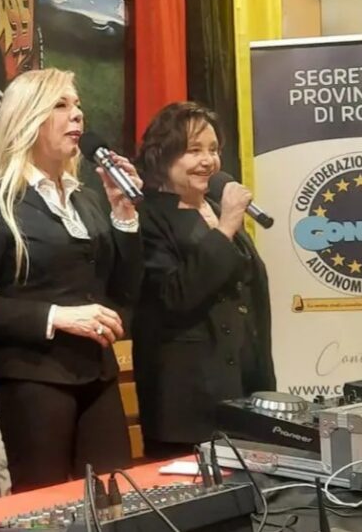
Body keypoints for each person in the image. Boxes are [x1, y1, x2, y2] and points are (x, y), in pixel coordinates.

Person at [0, 68, 143, 492]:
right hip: (33, 381)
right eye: (61, 105)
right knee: (45, 507)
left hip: (98, 374)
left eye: (78, 105)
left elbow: (125, 291)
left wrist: (124, 214)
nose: (77, 115)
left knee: (116, 499)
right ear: (28, 118)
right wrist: (57, 317)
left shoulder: (86, 198)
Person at [132, 101, 275, 458]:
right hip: (187, 403)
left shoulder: (216, 207)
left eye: (213, 150)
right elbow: (174, 296)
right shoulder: (147, 216)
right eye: (194, 150)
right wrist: (225, 229)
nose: (208, 161)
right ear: (162, 156)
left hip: (245, 390)